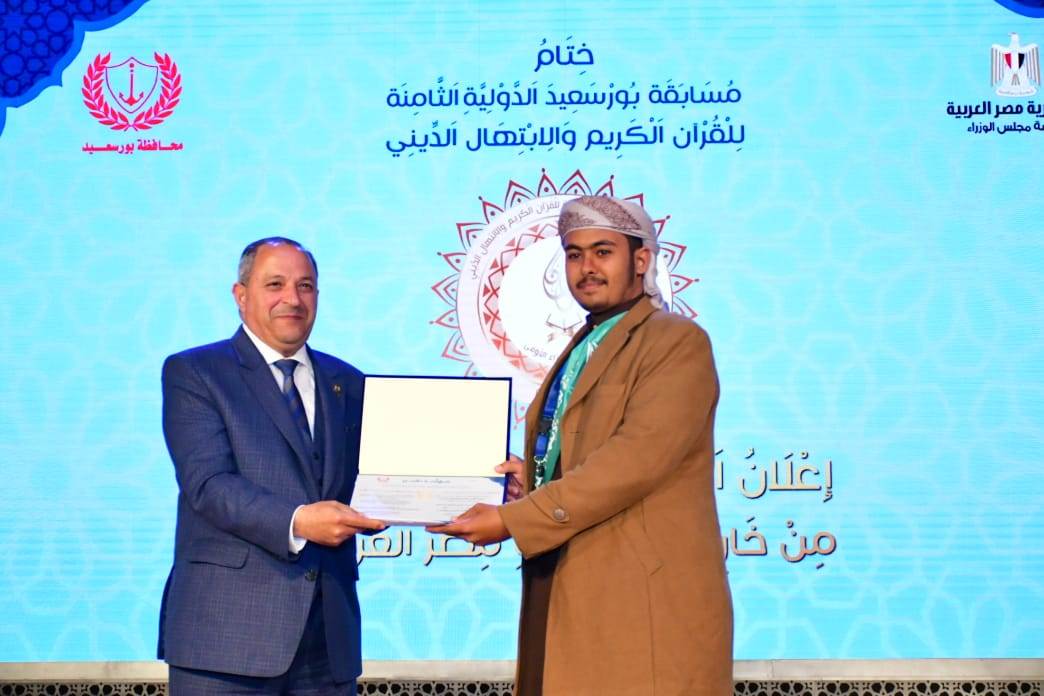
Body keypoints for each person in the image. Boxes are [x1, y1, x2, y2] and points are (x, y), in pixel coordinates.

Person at [430, 196, 733, 695]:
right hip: (569, 584)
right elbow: (583, 450)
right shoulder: (584, 344)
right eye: (574, 254)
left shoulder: (675, 341)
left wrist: (514, 519)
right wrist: (534, 478)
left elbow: (633, 460)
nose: (586, 267)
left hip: (639, 603)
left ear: (642, 260)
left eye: (603, 252)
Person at [158, 237, 384, 695]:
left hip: (327, 642)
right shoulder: (196, 372)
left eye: (306, 286)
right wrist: (299, 521)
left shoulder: (348, 381)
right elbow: (209, 485)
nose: (293, 299)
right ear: (241, 295)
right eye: (275, 284)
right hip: (225, 640)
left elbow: (378, 477)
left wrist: (482, 485)